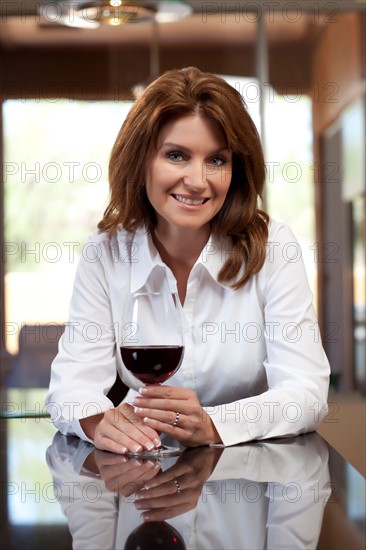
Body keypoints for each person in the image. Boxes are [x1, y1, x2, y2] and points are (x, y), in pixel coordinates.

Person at [45, 66, 330, 455]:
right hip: (143, 483)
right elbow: (70, 387)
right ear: (140, 160)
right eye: (176, 155)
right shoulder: (107, 251)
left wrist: (212, 425)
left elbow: (307, 392)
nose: (198, 180)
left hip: (248, 487)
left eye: (217, 160)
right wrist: (99, 424)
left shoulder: (273, 246)